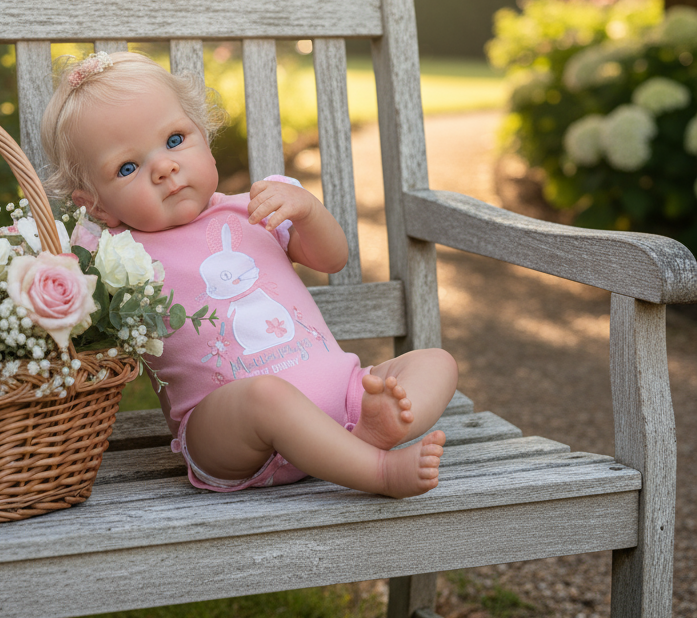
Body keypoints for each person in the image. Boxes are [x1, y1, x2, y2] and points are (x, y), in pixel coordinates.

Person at [40, 51, 459, 498]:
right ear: (97, 205)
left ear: (203, 135)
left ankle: (358, 438)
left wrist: (308, 212)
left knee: (437, 363)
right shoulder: (112, 252)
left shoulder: (258, 206)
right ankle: (377, 471)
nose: (164, 167)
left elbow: (333, 258)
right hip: (231, 434)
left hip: (342, 398)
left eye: (175, 139)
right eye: (128, 167)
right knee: (266, 396)